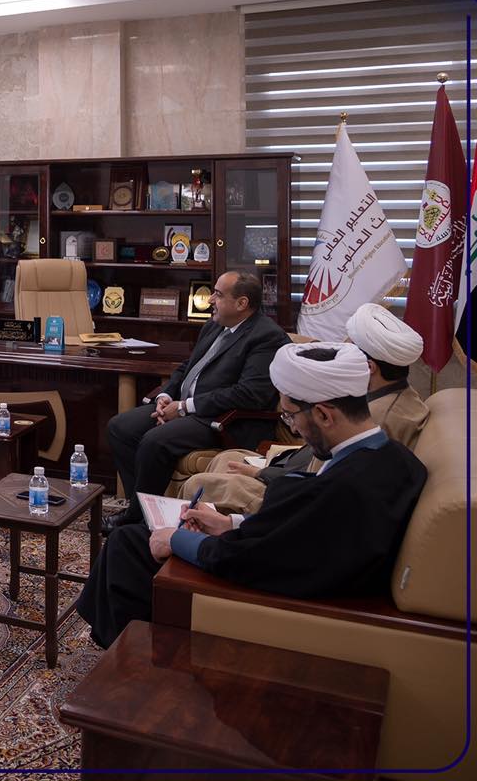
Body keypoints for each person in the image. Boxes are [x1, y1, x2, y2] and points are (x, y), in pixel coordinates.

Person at [76, 343, 427, 649]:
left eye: (290, 416)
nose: (293, 428)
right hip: (291, 570)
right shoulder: (398, 460)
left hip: (276, 603)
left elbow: (247, 560)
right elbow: (295, 535)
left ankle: (127, 666)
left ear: (323, 413)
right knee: (130, 540)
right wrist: (231, 523)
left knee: (128, 545)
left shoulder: (341, 489)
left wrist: (176, 539)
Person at [179, 302, 430, 514]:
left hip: (297, 494)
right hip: (294, 468)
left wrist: (262, 474)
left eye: (349, 351)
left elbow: (325, 483)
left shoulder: (378, 419)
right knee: (225, 459)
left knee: (198, 485)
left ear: (368, 367)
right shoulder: (385, 395)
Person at [105, 271, 289, 530]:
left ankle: (138, 520)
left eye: (218, 295)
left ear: (242, 303)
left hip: (224, 419)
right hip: (188, 408)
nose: (210, 299)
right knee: (120, 427)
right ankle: (147, 508)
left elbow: (249, 394)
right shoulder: (214, 325)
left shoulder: (267, 336)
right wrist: (166, 395)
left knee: (155, 441)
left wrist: (184, 407)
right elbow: (187, 366)